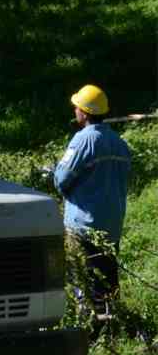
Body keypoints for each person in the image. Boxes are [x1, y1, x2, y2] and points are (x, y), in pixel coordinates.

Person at [54, 84, 131, 321]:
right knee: (107, 282)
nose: (75, 111)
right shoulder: (120, 143)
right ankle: (111, 326)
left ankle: (87, 328)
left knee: (83, 282)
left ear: (84, 112)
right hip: (111, 225)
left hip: (83, 227)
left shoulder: (83, 140)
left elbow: (61, 179)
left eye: (77, 107)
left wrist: (55, 175)